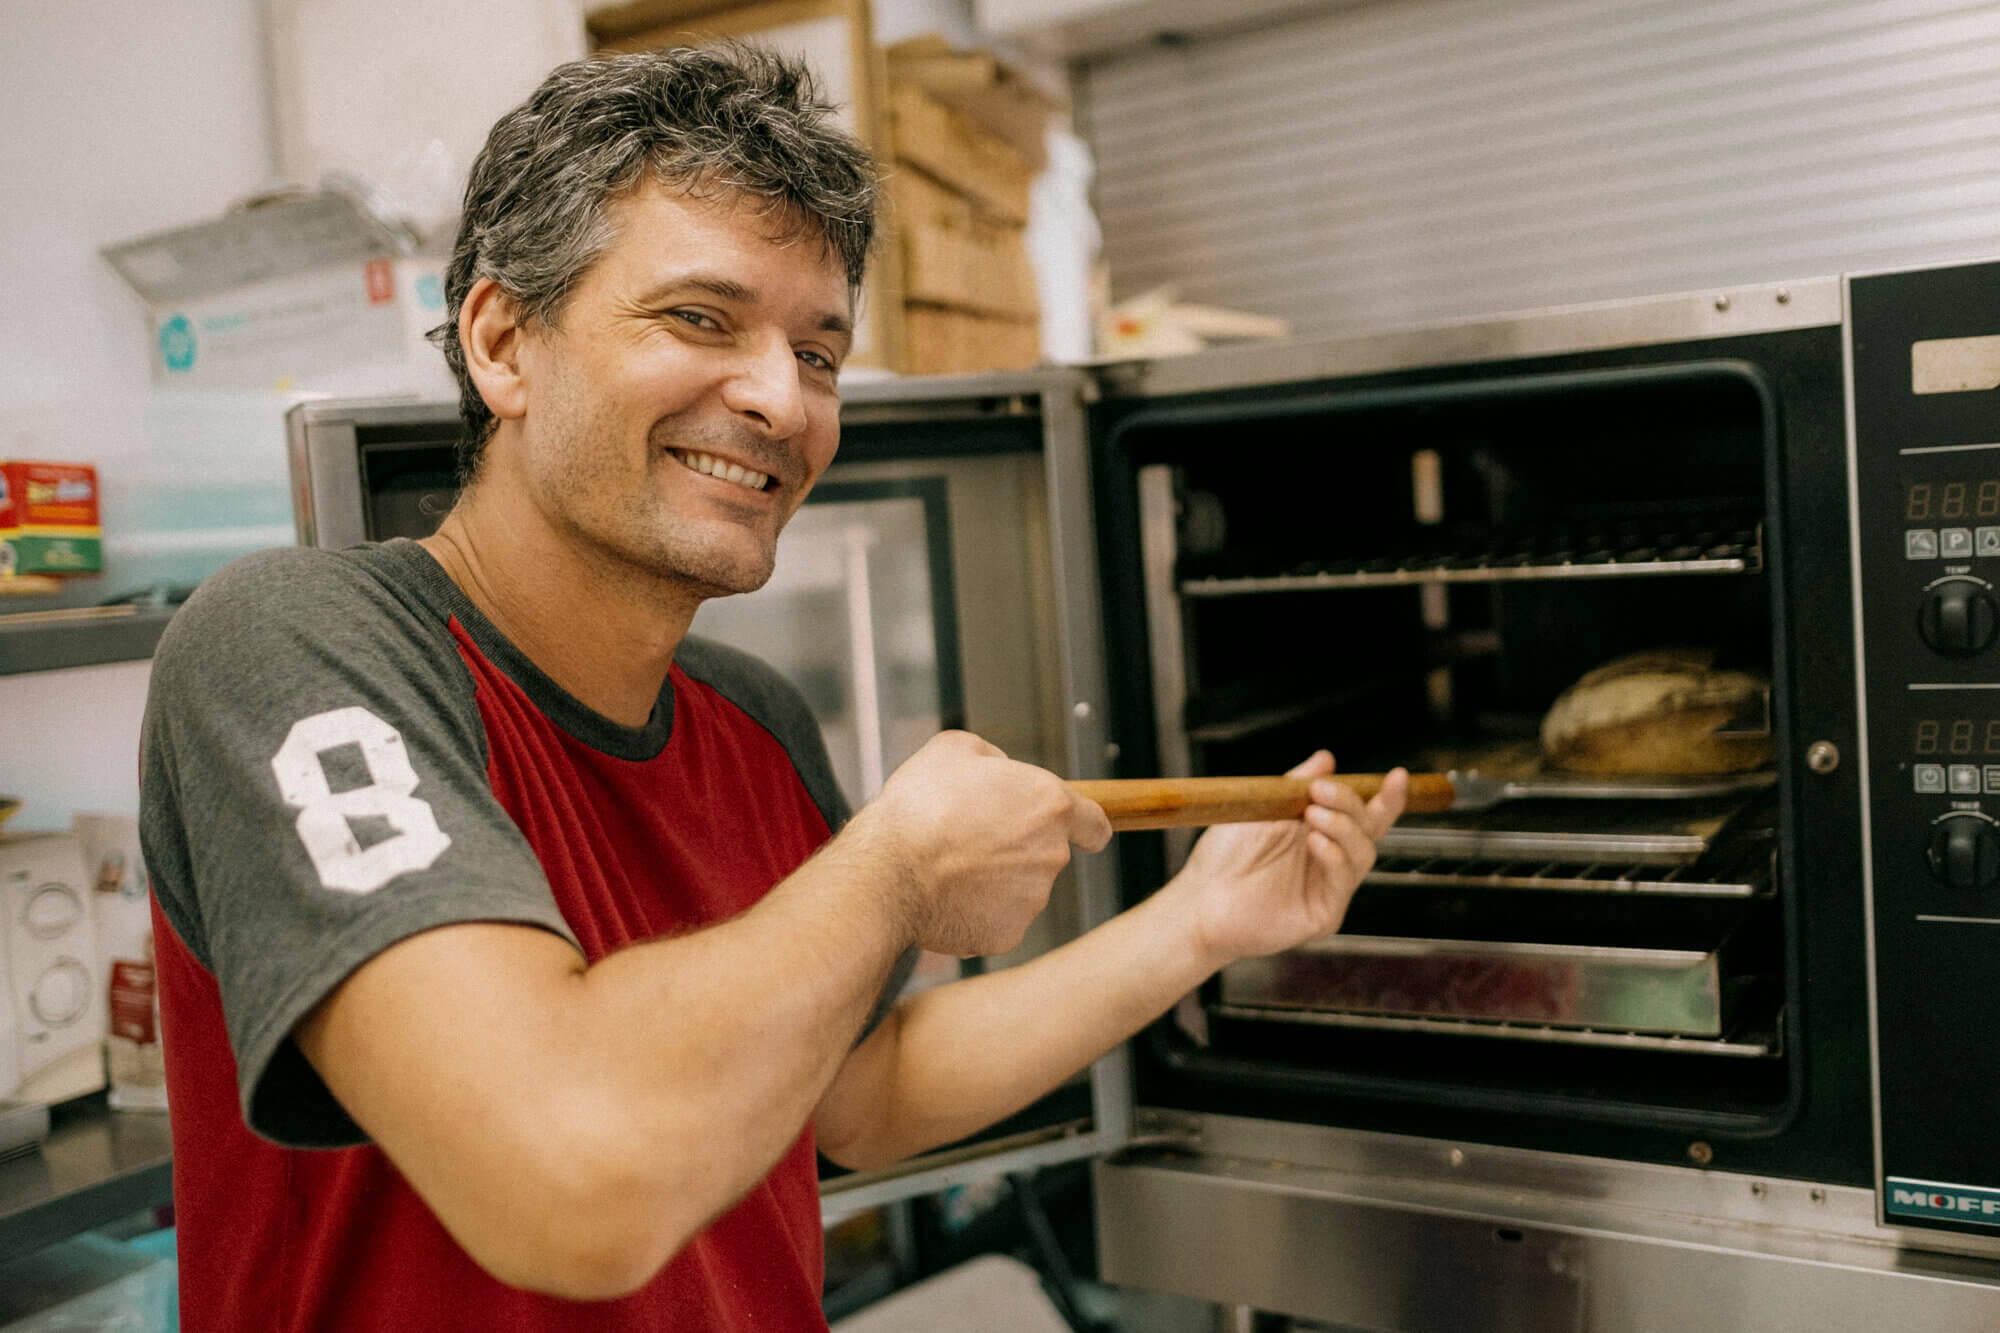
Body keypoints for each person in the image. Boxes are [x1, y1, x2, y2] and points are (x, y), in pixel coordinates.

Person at [137, 44, 1409, 1332]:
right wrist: (896, 870)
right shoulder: (294, 647)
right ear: (504, 342)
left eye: (818, 352)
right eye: (699, 318)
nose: (778, 398)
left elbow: (861, 1095)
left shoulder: (752, 718)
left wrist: (1194, 925)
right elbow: (567, 1177)